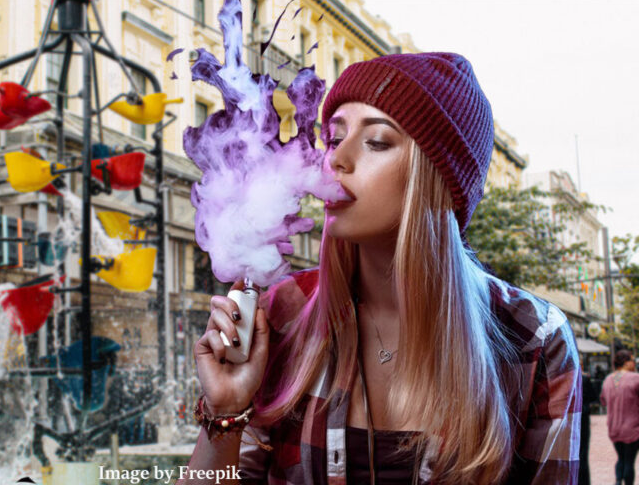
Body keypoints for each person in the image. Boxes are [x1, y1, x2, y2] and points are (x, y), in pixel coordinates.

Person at [180, 53, 581, 485]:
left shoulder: (534, 337)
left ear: (437, 177)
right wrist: (224, 412)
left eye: (375, 142)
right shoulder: (283, 313)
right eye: (334, 140)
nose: (334, 161)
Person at [601, 350, 639, 485]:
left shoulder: (608, 380)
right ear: (626, 362)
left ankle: (618, 481)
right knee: (629, 460)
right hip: (632, 428)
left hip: (614, 427)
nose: (634, 363)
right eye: (632, 360)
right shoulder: (635, 378)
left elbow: (603, 401)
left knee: (621, 458)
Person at [580, 356, 599, 485]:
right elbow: (593, 398)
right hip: (582, 418)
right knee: (582, 453)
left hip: (564, 421)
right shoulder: (584, 378)